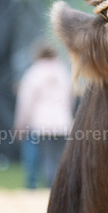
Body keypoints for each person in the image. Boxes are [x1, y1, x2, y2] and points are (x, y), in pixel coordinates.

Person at [13, 44, 73, 188]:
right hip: (62, 123)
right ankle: (55, 186)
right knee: (58, 158)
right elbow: (70, 99)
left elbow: (26, 101)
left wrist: (20, 123)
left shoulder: (34, 72)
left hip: (39, 122)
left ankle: (31, 184)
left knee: (33, 155)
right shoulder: (63, 72)